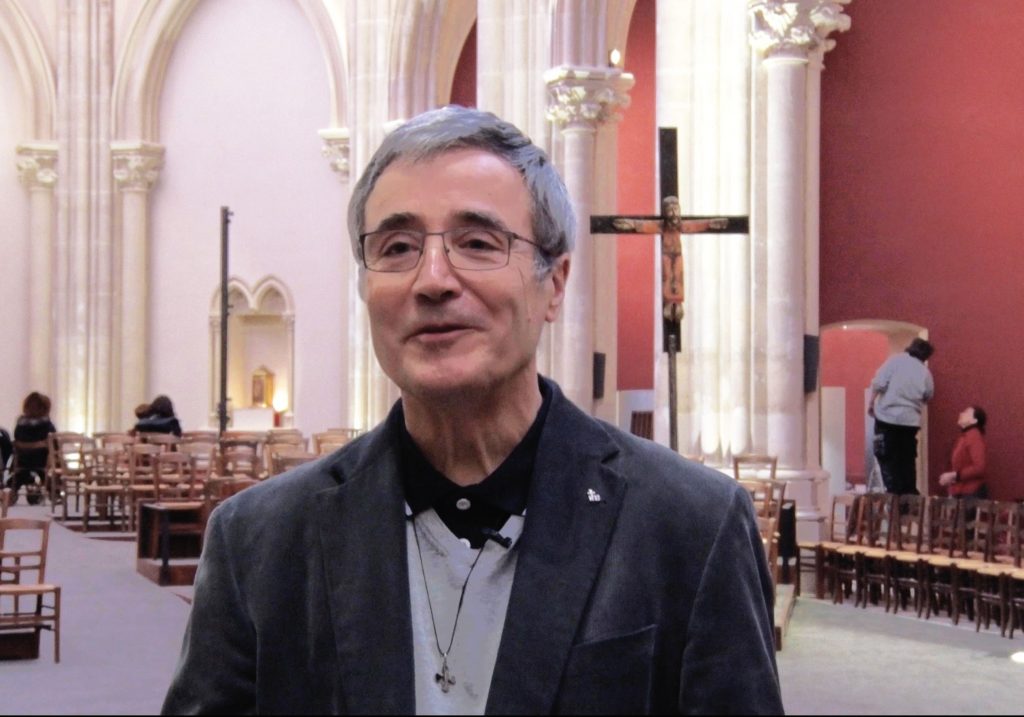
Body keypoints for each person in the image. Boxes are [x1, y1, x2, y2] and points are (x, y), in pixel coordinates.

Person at [162, 106, 783, 715]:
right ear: (365, 287)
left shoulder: (690, 526)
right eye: (398, 246)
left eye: (478, 242)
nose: (433, 279)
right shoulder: (259, 541)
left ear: (554, 283)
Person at [868, 337, 934, 495]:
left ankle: (894, 496)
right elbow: (928, 395)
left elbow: (879, 383)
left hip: (887, 419)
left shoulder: (895, 361)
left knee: (887, 459)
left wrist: (871, 403)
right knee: (907, 462)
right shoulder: (925, 372)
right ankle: (909, 499)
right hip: (910, 422)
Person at [9, 392, 57, 504]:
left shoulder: (21, 424)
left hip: (22, 459)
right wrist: (40, 445)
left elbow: (17, 440)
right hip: (41, 459)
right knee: (48, 468)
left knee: (20, 474)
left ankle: (12, 490)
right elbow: (53, 442)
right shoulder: (47, 424)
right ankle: (54, 492)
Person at [937, 406, 987, 498]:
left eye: (966, 412)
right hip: (962, 492)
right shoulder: (965, 437)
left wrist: (954, 475)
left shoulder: (974, 437)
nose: (961, 414)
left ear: (974, 421)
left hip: (970, 494)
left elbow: (979, 468)